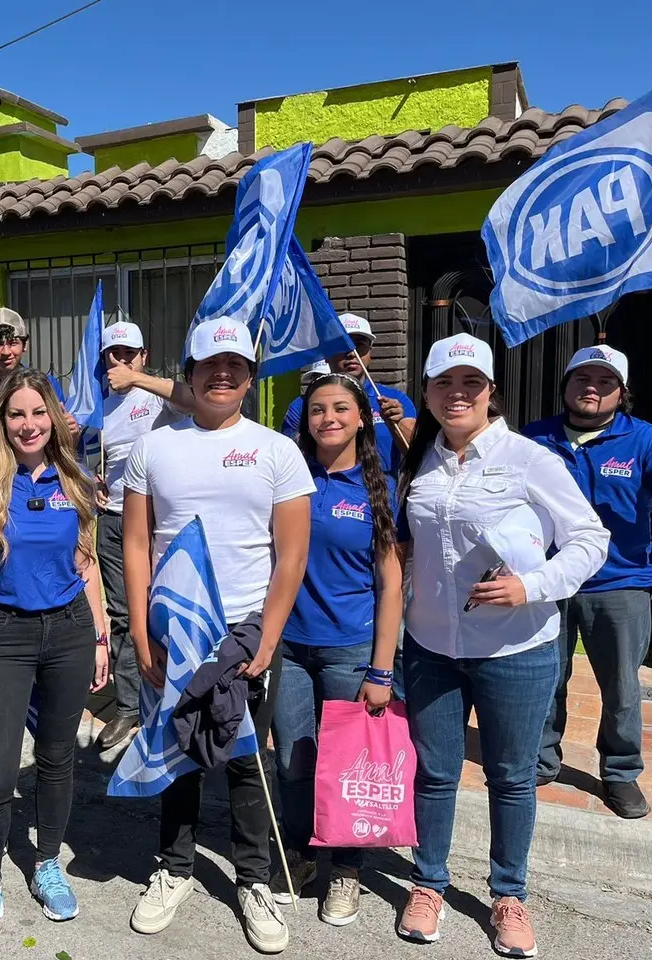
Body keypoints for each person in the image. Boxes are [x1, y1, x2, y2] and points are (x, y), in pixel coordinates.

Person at [395, 332, 609, 957]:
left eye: (471, 384)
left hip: (518, 648)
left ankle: (508, 896)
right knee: (434, 773)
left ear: (491, 392)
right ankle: (428, 882)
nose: (456, 394)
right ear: (428, 392)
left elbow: (589, 540)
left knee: (511, 776)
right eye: (444, 383)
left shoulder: (530, 460)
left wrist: (534, 585)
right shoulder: (420, 461)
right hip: (431, 643)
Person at [122, 319, 314, 955]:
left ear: (251, 377)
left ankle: (253, 879)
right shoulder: (154, 447)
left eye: (236, 365)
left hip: (245, 630)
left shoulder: (277, 451)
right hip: (174, 627)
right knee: (177, 751)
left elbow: (290, 558)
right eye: (211, 364)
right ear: (190, 371)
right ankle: (173, 868)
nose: (223, 374)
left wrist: (269, 638)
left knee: (243, 758)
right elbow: (135, 545)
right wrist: (144, 636)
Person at [0, 368, 110, 949]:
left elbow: (85, 560)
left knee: (56, 757)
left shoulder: (75, 478)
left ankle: (47, 863)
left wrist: (99, 632)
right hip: (4, 633)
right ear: (4, 422)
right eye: (16, 414)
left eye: (38, 413)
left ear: (53, 418)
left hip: (69, 630)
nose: (28, 424)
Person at [522, 345, 652, 818]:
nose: (592, 388)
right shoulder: (534, 437)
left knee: (621, 686)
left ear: (622, 393)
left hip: (620, 583)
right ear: (566, 386)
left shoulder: (643, 439)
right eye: (582, 379)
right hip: (549, 580)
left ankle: (620, 773)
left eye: (605, 382)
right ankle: (540, 760)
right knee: (545, 678)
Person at [271, 372, 402, 927]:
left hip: (351, 650)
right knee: (293, 761)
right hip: (290, 648)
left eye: (341, 408)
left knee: (349, 767)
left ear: (361, 417)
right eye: (317, 408)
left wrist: (382, 669)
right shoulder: (287, 480)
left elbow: (392, 585)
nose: (328, 418)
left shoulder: (382, 489)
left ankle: (345, 869)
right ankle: (299, 855)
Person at [93, 318, 191, 749]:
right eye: (113, 354)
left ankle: (172, 695)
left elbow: (192, 400)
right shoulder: (95, 402)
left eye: (128, 353)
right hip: (113, 519)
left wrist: (138, 379)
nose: (119, 361)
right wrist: (86, 479)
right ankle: (129, 704)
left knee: (165, 608)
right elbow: (83, 457)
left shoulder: (155, 395)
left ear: (143, 356)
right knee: (122, 611)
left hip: (158, 519)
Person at [278, 313, 416, 477]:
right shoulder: (301, 406)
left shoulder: (396, 401)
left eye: (359, 345)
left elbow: (416, 456)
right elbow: (288, 462)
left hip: (382, 496)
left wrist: (397, 424)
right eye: (341, 346)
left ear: (370, 352)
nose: (351, 353)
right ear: (326, 355)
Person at [0, 306, 79, 437]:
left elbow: (62, 435)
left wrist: (72, 432)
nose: (6, 352)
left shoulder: (46, 384)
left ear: (24, 345)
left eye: (13, 343)